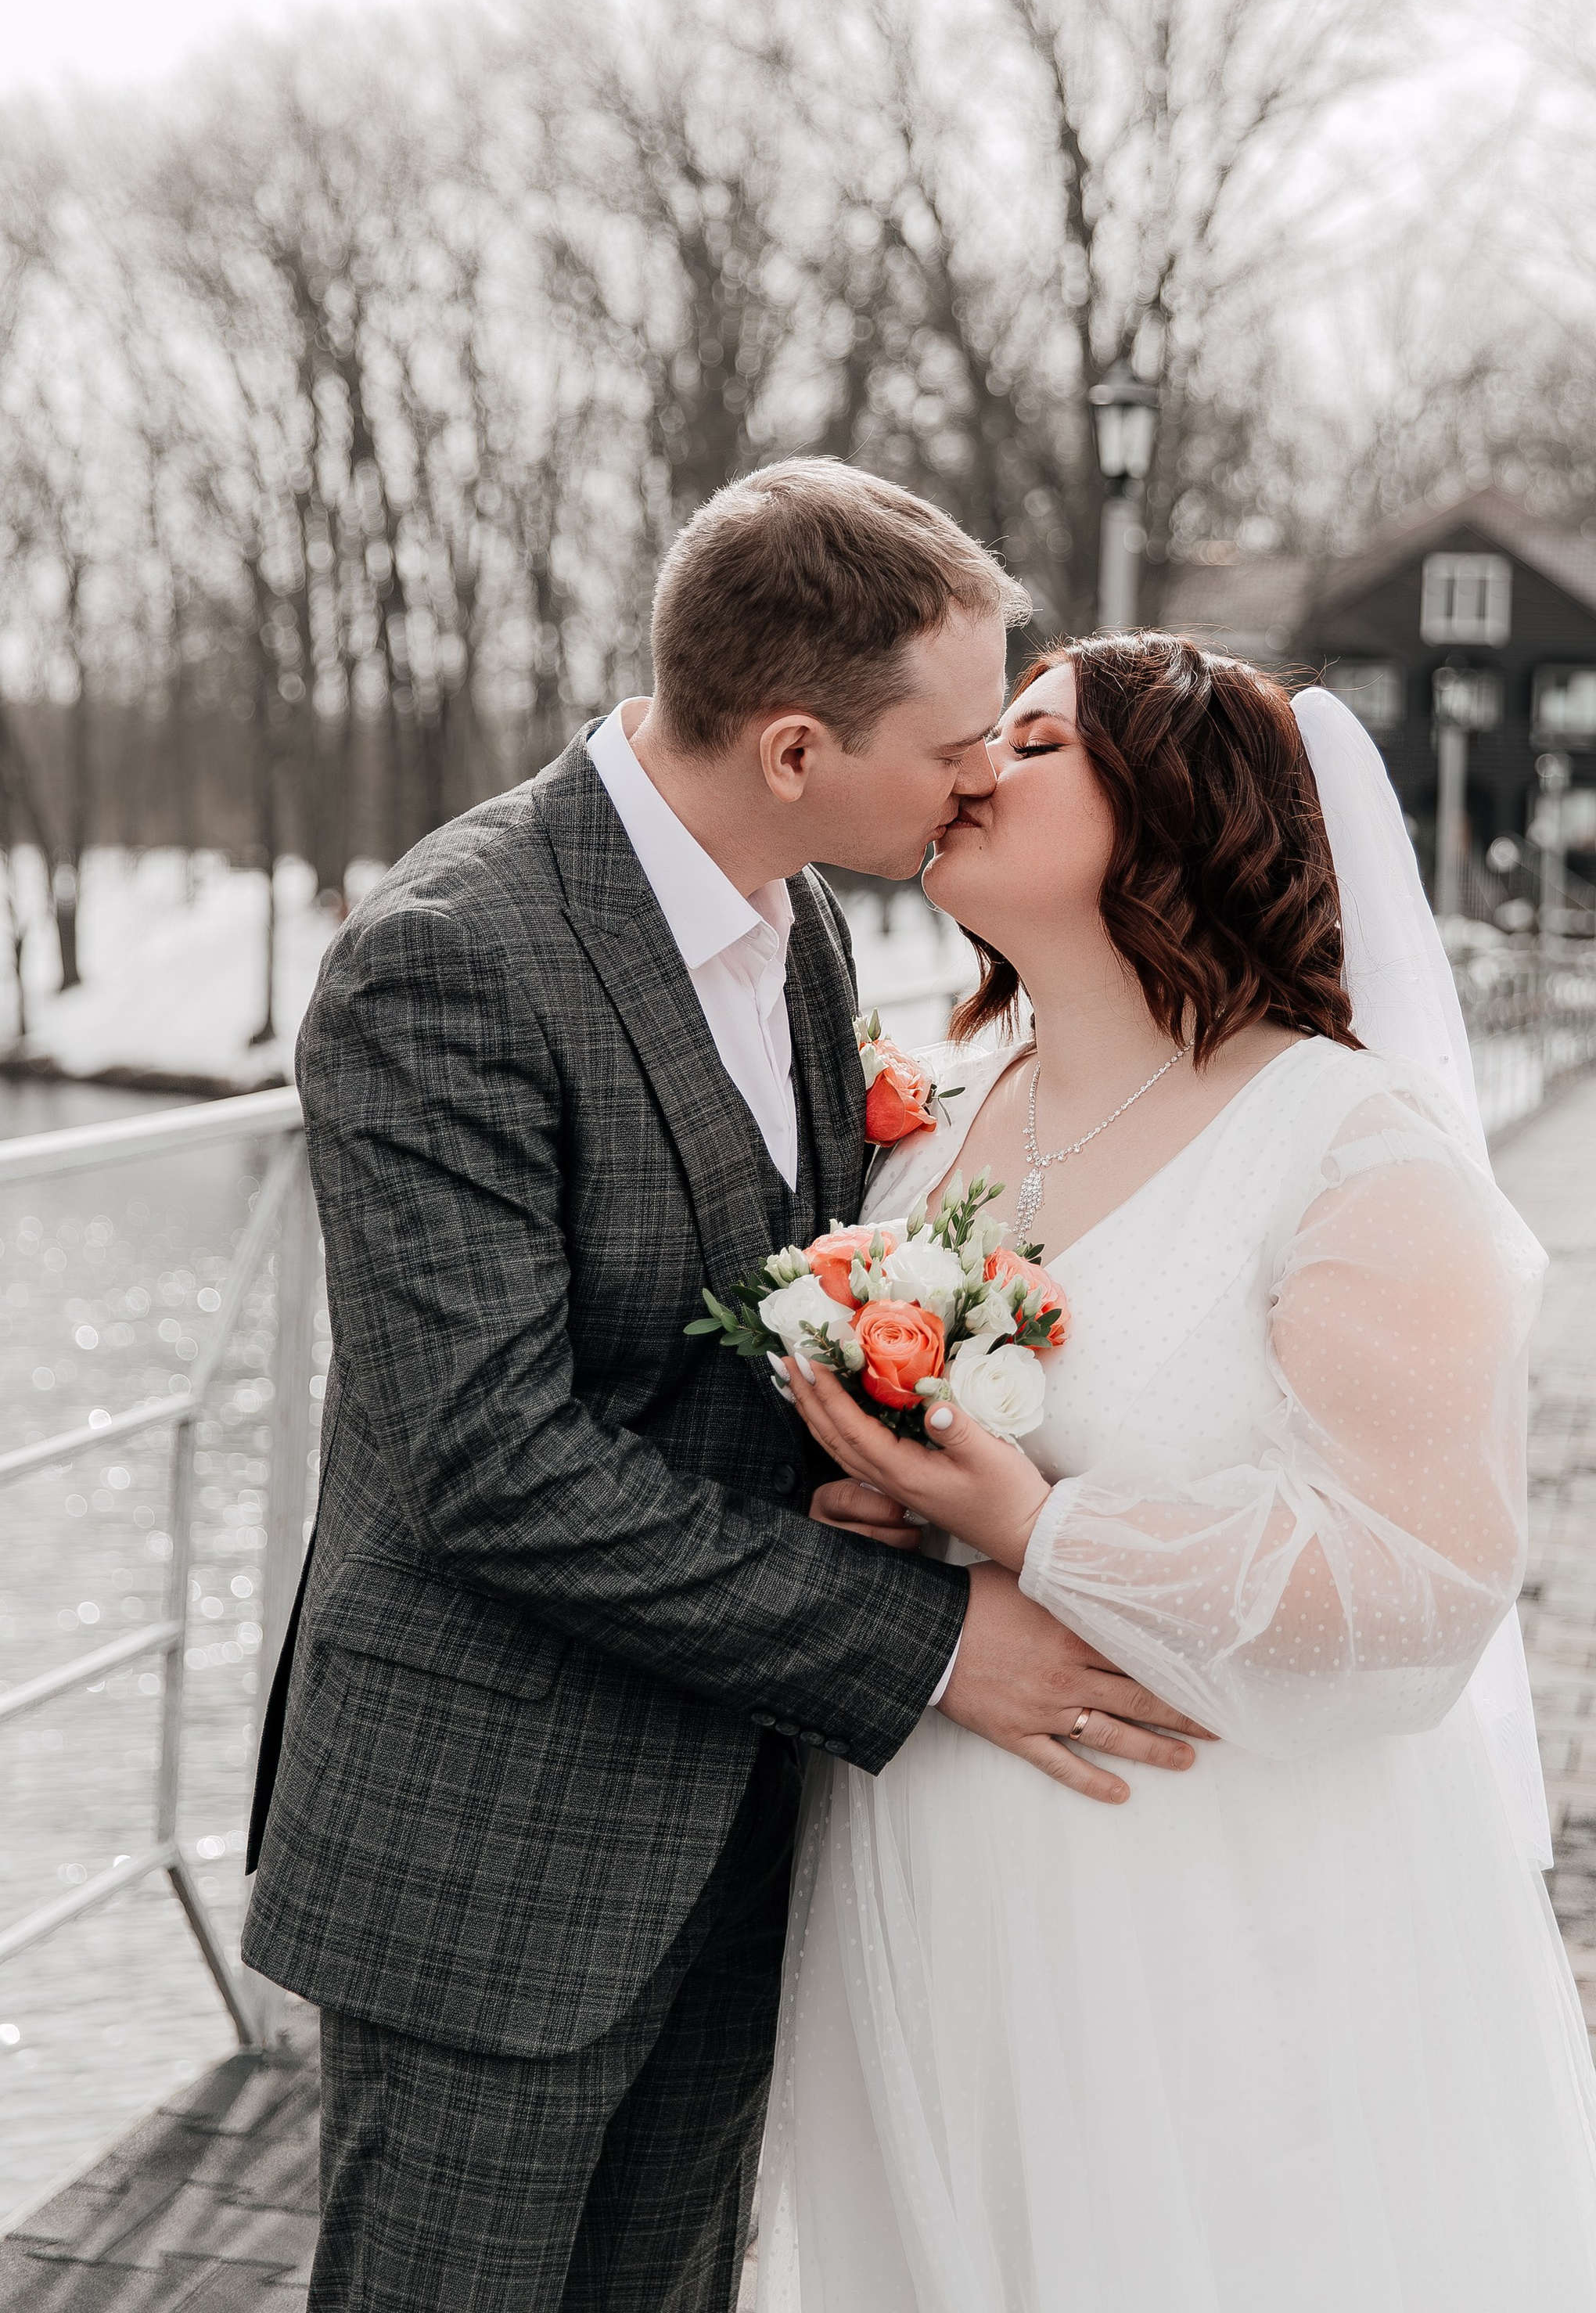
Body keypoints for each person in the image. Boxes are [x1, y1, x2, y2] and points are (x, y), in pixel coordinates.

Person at [240, 466, 1209, 2313]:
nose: (979, 782)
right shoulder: (447, 961)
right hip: (492, 1854)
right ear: (790, 747)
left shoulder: (801, 919)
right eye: (951, 748)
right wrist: (922, 1647)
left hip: (737, 1826)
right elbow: (493, 1466)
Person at [763, 634, 1596, 2313]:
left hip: (1209, 1918)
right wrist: (884, 1498)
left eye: (1030, 739)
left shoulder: (1348, 1144)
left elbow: (1421, 1578)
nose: (969, 763)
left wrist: (1037, 1526)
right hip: (926, 1880)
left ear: (1170, 808)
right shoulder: (930, 1116)